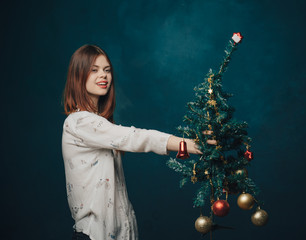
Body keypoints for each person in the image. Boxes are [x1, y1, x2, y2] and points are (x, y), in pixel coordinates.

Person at [62, 45, 211, 240]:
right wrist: (191, 144)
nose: (103, 76)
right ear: (78, 76)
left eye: (107, 70)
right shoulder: (78, 122)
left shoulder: (100, 123)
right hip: (93, 235)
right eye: (94, 70)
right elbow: (136, 137)